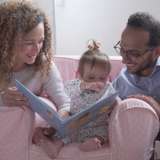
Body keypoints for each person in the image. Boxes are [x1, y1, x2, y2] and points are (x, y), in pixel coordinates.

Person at [0, 1, 70, 159]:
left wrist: (59, 120)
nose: (37, 49)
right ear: (7, 41)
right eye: (29, 43)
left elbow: (64, 102)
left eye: (41, 41)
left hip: (23, 135)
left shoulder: (44, 66)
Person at [34, 39, 117, 158]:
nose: (97, 82)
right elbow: (63, 101)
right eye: (91, 77)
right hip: (73, 126)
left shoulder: (108, 88)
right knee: (62, 132)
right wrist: (84, 86)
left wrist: (112, 104)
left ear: (108, 76)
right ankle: (52, 145)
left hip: (95, 126)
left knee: (103, 133)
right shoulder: (72, 85)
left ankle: (94, 143)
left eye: (102, 78)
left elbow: (114, 100)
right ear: (80, 75)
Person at [112, 12, 160, 159]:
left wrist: (155, 107)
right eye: (122, 50)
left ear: (157, 51)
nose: (125, 60)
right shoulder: (122, 78)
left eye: (134, 53)